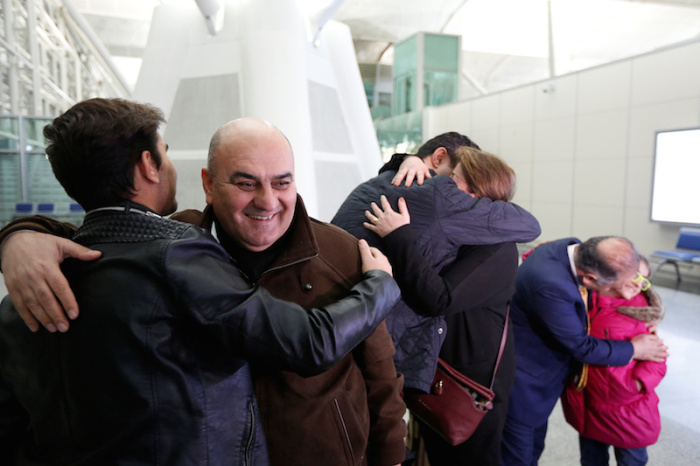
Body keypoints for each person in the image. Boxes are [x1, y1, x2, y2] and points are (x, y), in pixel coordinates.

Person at [0, 98, 401, 464]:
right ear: (205, 183)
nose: (267, 200)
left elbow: (380, 374)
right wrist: (382, 285)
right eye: (245, 183)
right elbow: (310, 343)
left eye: (282, 182)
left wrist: (391, 456)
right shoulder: (176, 251)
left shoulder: (344, 253)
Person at [332, 134, 541, 396]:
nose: (447, 180)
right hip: (375, 334)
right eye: (451, 173)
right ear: (439, 158)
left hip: (331, 309)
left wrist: (405, 160)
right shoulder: (442, 194)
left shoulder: (381, 181)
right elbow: (530, 225)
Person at [359, 147, 524, 466]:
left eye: (452, 179)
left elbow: (439, 298)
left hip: (470, 386)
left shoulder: (499, 246)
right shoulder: (460, 228)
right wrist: (406, 161)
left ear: (476, 192)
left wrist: (399, 236)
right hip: (439, 372)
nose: (441, 185)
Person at [501, 236, 670, 466]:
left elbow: (657, 356)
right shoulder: (551, 284)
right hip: (527, 380)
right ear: (590, 279)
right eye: (616, 288)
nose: (626, 293)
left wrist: (648, 317)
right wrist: (634, 348)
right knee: (520, 454)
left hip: (621, 405)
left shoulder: (573, 250)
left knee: (532, 447)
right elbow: (582, 345)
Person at [561, 257, 667, 466]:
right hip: (590, 406)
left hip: (629, 411)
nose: (638, 284)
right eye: (634, 275)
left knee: (631, 460)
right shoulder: (586, 300)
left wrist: (637, 384)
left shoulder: (642, 311)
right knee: (591, 459)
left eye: (644, 279)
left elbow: (657, 358)